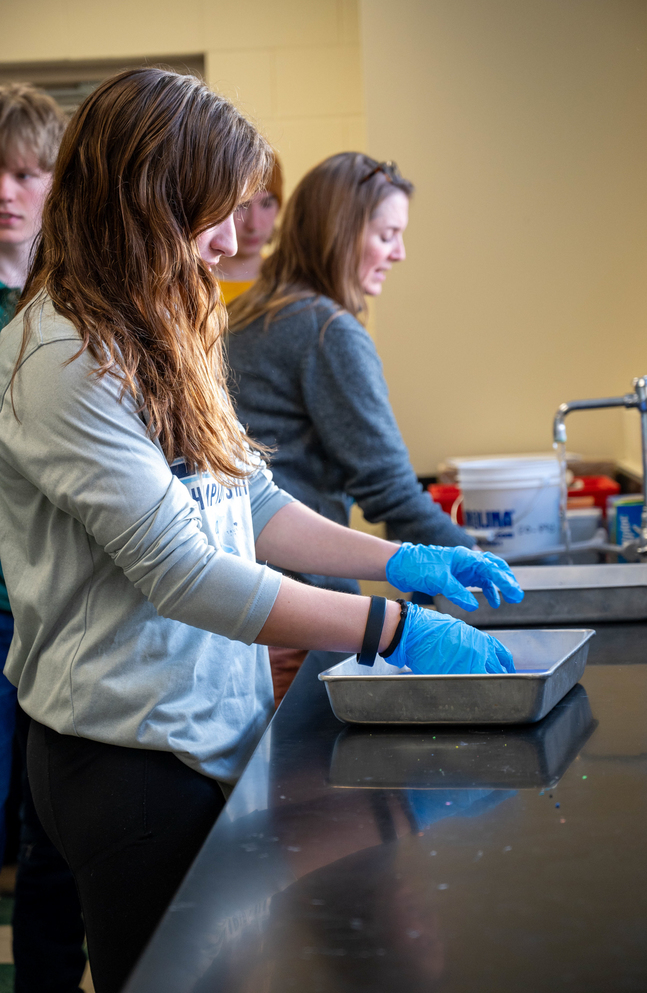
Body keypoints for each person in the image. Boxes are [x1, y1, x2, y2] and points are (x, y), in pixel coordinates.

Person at [0, 67, 522, 993]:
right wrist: (391, 627)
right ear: (148, 198)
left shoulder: (164, 316)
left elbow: (252, 504)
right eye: (215, 212)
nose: (233, 239)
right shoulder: (63, 355)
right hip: (130, 754)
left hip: (202, 728)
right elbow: (185, 575)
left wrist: (400, 556)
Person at [226, 153, 476, 602]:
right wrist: (484, 567)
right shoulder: (325, 331)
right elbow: (392, 494)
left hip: (245, 590)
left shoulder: (249, 311)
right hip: (297, 599)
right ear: (341, 234)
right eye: (387, 236)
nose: (399, 253)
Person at [0, 82, 87, 993]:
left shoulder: (64, 305)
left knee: (48, 836)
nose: (8, 190)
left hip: (43, 613)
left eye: (28, 173)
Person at [214, 154, 283, 305]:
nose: (254, 225)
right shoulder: (187, 286)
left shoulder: (287, 284)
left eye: (266, 204)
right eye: (241, 206)